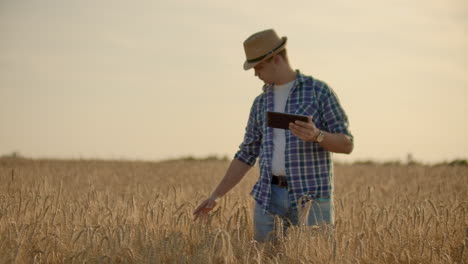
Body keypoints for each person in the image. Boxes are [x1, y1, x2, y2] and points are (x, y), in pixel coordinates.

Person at [193, 29, 353, 242]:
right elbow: (247, 153)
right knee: (265, 256)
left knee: (315, 257)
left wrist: (318, 136)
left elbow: (347, 144)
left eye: (258, 67)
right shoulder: (260, 103)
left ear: (275, 59)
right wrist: (215, 195)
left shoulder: (319, 92)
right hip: (268, 197)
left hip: (312, 199)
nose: (255, 74)